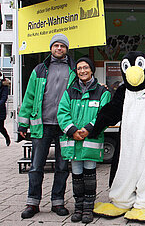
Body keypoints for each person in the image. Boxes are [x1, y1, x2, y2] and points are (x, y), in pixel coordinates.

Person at [18, 33, 76, 219]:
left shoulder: (73, 70)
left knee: (61, 166)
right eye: (56, 45)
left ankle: (57, 202)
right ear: (51, 48)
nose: (59, 48)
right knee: (36, 166)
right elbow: (29, 98)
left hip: (64, 127)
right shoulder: (39, 70)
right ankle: (32, 203)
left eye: (62, 46)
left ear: (67, 49)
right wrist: (22, 123)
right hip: (41, 126)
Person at [57, 57, 111, 223]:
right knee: (77, 175)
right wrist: (72, 130)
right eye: (79, 68)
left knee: (89, 173)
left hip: (90, 142)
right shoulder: (69, 91)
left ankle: (88, 207)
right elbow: (62, 112)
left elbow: (104, 114)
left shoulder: (103, 92)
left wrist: (88, 129)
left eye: (86, 67)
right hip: (74, 141)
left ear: (92, 70)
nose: (82, 71)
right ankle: (78, 207)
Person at [0, 72, 11, 146]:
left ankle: (7, 137)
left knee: (0, 128)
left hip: (0, 110)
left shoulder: (4, 85)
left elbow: (4, 98)